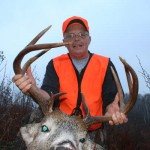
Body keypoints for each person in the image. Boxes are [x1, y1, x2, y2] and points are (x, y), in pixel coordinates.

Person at [12, 16, 128, 148]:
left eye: (81, 35)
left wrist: (113, 111)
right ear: (64, 42)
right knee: (33, 118)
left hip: (90, 129)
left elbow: (112, 99)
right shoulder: (55, 64)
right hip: (58, 127)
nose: (76, 38)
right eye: (70, 35)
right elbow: (49, 95)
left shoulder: (105, 64)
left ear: (89, 39)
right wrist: (34, 89)